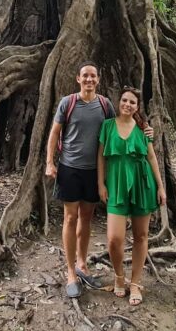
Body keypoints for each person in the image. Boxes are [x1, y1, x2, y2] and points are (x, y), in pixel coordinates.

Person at [45, 61, 115, 298]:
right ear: (78, 79)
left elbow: (119, 130)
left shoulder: (105, 105)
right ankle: (70, 272)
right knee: (70, 217)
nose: (89, 80)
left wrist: (145, 131)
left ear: (98, 79)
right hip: (69, 168)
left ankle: (82, 264)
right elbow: (55, 132)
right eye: (85, 76)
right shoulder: (68, 102)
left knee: (87, 218)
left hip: (94, 171)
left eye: (93, 76)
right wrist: (49, 162)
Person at [97, 86, 166, 306]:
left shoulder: (143, 129)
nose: (128, 104)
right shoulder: (107, 126)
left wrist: (160, 187)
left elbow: (152, 158)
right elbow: (101, 158)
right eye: (125, 100)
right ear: (119, 102)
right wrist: (101, 184)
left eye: (132, 102)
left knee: (141, 236)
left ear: (137, 107)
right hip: (116, 185)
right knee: (114, 239)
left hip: (141, 183)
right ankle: (119, 276)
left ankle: (135, 282)